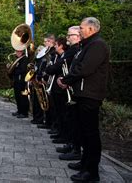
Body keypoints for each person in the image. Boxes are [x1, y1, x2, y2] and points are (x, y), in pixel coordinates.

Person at [58, 17, 110, 182]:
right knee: (84, 132)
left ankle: (92, 172)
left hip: (90, 95)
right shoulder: (88, 45)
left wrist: (65, 81)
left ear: (91, 29)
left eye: (81, 28)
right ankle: (85, 163)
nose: (79, 31)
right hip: (83, 94)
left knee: (90, 134)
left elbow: (84, 68)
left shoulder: (98, 45)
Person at [57, 26, 82, 160]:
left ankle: (75, 148)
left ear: (77, 36)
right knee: (71, 119)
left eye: (70, 35)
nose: (68, 37)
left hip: (77, 90)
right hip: (71, 87)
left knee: (74, 121)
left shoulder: (77, 49)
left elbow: (78, 70)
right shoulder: (76, 50)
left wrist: (66, 80)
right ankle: (72, 145)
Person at [44, 37, 69, 144]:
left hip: (60, 89)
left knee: (62, 113)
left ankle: (63, 135)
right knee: (59, 112)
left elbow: (53, 69)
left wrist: (50, 68)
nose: (54, 47)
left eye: (56, 45)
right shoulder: (59, 56)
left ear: (61, 46)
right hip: (56, 88)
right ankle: (59, 132)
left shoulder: (63, 56)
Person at [9, 49, 29, 118]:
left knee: (23, 97)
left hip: (22, 81)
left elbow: (22, 70)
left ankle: (24, 112)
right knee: (17, 96)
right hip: (17, 80)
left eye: (17, 51)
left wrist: (14, 70)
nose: (15, 53)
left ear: (21, 52)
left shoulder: (24, 59)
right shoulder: (18, 59)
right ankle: (19, 110)